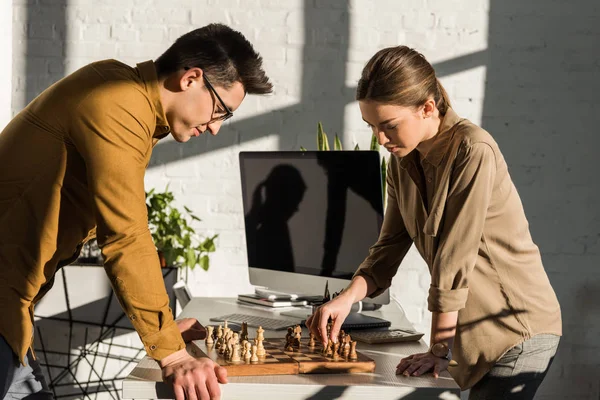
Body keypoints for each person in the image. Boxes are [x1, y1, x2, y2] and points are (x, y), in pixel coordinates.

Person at [0, 23, 272, 400]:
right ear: (191, 78)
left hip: (13, 308)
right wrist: (172, 353)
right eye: (221, 111)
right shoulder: (118, 101)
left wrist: (164, 330)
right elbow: (125, 235)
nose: (215, 129)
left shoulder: (123, 95)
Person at [306, 45, 562, 399]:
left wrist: (439, 349)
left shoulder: (473, 151)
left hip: (515, 328)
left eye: (389, 126)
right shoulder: (401, 162)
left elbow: (453, 259)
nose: (380, 139)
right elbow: (389, 246)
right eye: (372, 126)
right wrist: (346, 298)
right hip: (471, 333)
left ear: (427, 107)